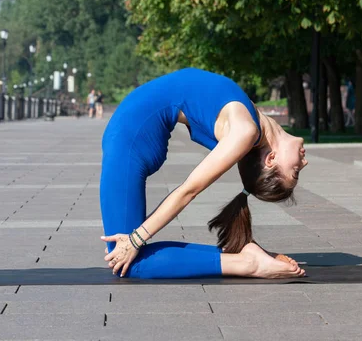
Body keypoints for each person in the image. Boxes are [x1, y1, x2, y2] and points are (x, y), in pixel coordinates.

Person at [100, 68, 308, 279]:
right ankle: (246, 258)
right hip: (130, 135)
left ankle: (248, 261)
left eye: (296, 170)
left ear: (271, 160)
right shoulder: (248, 127)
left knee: (127, 261)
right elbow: (188, 191)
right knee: (125, 253)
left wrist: (135, 239)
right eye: (297, 171)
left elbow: (189, 190)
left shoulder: (246, 128)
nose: (304, 162)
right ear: (270, 159)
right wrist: (135, 239)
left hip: (129, 136)